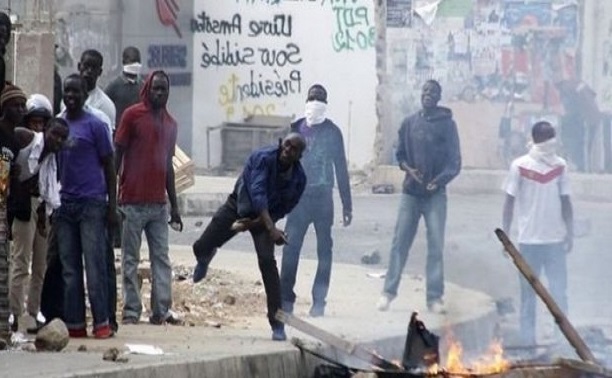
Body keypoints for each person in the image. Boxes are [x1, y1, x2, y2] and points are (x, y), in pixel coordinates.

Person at [192, 133, 307, 341]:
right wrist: (271, 229)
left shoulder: (299, 179)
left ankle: (277, 323)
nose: (287, 151)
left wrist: (258, 225)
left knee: (267, 263)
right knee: (201, 245)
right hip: (239, 205)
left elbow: (285, 207)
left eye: (293, 149)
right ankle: (206, 255)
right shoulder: (262, 158)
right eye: (286, 145)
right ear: (282, 144)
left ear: (299, 155)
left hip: (265, 218)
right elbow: (257, 194)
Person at [377, 80, 461, 313]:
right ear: (420, 94)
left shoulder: (447, 125)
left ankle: (434, 298)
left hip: (435, 195)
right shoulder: (409, 123)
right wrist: (408, 169)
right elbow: (400, 154)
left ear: (439, 97)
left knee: (435, 245)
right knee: (399, 242)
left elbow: (455, 162)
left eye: (433, 92)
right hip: (410, 193)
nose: (428, 94)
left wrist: (439, 180)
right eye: (425, 91)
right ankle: (388, 292)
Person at [115, 70, 183, 325]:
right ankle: (132, 310)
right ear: (147, 89)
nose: (159, 93)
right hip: (131, 201)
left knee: (161, 259)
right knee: (130, 259)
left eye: (164, 89)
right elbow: (117, 153)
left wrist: (174, 206)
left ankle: (161, 310)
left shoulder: (171, 124)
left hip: (158, 204)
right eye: (155, 88)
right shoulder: (132, 115)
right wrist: (112, 192)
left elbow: (168, 166)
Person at [280, 84, 352, 317]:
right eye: (312, 98)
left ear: (325, 104)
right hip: (298, 199)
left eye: (320, 98)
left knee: (324, 250)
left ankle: (319, 301)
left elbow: (341, 168)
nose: (315, 102)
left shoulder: (333, 132)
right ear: (306, 101)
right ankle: (286, 299)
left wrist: (346, 203)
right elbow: (281, 165)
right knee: (290, 249)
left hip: (323, 199)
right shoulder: (295, 129)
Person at [56, 74, 117, 339]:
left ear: (84, 94)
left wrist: (112, 207)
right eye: (67, 92)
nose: (71, 96)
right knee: (70, 270)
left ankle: (102, 323)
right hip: (65, 205)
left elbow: (110, 166)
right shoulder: (58, 125)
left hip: (92, 204)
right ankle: (75, 325)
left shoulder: (96, 125)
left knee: (95, 268)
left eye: (76, 92)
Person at [502, 121, 573, 346]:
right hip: (528, 242)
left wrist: (569, 232)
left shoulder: (560, 166)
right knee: (528, 296)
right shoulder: (520, 166)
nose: (553, 142)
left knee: (559, 294)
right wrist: (506, 236)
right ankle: (527, 342)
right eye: (549, 137)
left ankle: (563, 341)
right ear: (538, 139)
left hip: (554, 241)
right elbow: (509, 202)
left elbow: (566, 201)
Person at [8, 95, 57, 332]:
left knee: (39, 266)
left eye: (42, 123)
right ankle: (14, 315)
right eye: (34, 122)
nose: (38, 128)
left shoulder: (50, 151)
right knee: (20, 261)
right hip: (24, 206)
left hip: (42, 206)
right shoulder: (23, 141)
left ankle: (32, 312)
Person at [105, 46, 144, 250]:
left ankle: (130, 235)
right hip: (118, 145)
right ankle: (116, 235)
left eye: (136, 59)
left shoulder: (143, 86)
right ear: (123, 61)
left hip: (138, 149)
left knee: (132, 192)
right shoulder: (114, 87)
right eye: (130, 59)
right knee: (116, 189)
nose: (134, 62)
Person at [0, 84, 26, 342]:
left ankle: (4, 328)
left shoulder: (15, 140)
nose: (20, 110)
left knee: (4, 266)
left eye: (23, 106)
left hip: (4, 208)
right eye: (15, 106)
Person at [76, 49, 116, 132]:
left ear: (100, 72)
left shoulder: (105, 104)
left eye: (94, 68)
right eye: (86, 66)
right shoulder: (68, 98)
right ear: (79, 66)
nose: (89, 71)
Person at [105, 46, 144, 128]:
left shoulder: (143, 86)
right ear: (124, 62)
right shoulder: (114, 85)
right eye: (132, 62)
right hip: (119, 131)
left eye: (138, 61)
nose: (135, 65)